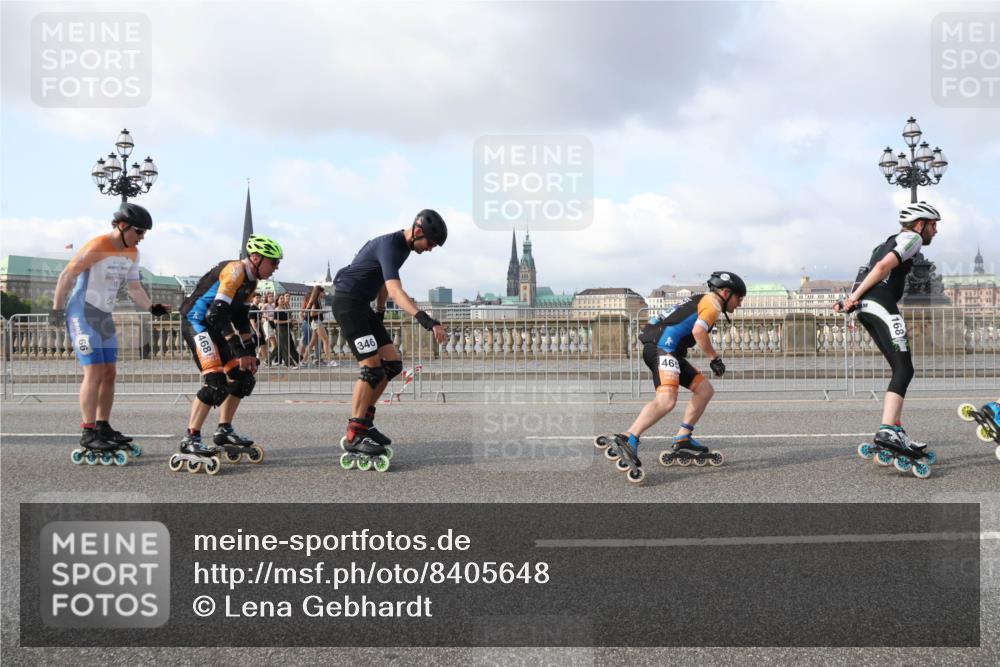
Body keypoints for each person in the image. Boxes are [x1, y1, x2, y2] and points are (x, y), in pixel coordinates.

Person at [596, 271, 746, 484]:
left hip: (667, 349)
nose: (740, 304)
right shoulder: (712, 305)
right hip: (662, 349)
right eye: (739, 298)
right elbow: (698, 332)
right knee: (666, 400)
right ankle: (628, 437)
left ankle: (683, 437)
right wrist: (714, 358)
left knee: (704, 390)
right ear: (726, 292)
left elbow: (665, 319)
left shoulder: (700, 299)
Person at [50, 202, 171, 465]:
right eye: (139, 232)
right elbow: (66, 275)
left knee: (110, 372)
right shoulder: (98, 246)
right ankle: (88, 431)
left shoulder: (132, 254)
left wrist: (152, 307)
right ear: (123, 226)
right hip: (82, 312)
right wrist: (57, 311)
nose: (141, 238)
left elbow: (135, 288)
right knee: (94, 372)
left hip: (103, 315)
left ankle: (103, 426)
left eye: (144, 234)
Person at [332, 209, 448, 470]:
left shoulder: (403, 249)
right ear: (418, 231)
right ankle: (355, 433)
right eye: (430, 243)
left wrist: (380, 313)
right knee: (372, 368)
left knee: (392, 364)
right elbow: (396, 290)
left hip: (364, 307)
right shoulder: (389, 245)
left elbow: (384, 284)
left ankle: (365, 422)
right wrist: (426, 320)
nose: (430, 249)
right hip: (348, 304)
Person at [835, 201, 940, 477]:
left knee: (899, 368)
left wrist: (851, 300)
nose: (935, 231)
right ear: (920, 224)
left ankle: (894, 428)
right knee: (905, 368)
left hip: (867, 307)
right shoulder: (912, 239)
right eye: (933, 225)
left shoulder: (885, 241)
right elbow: (882, 267)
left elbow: (868, 268)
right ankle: (888, 430)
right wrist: (853, 299)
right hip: (878, 303)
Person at [171, 234, 282, 475]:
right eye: (273, 262)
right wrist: (238, 349)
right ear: (256, 258)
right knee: (216, 383)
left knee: (243, 376)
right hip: (198, 322)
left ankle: (224, 430)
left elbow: (241, 318)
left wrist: (249, 352)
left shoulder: (252, 281)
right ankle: (190, 438)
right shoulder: (235, 271)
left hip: (214, 324)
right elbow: (216, 315)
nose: (276, 268)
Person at [299, 284, 334, 367]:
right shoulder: (316, 301)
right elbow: (312, 313)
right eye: (323, 292)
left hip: (314, 322)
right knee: (326, 340)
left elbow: (307, 311)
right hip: (316, 322)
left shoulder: (313, 300)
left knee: (311, 343)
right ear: (319, 292)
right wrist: (322, 311)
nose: (324, 294)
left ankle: (303, 361)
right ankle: (329, 361)